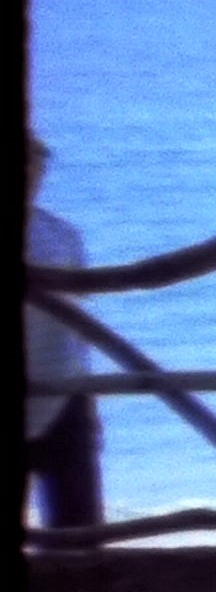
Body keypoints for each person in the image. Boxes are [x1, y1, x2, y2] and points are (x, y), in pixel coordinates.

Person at [27, 133, 104, 530]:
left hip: (65, 393)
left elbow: (79, 329)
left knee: (80, 529)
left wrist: (88, 401)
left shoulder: (62, 236)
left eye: (35, 165)